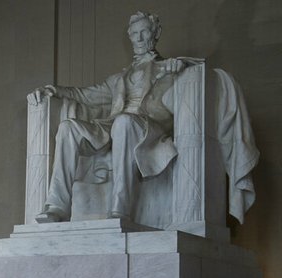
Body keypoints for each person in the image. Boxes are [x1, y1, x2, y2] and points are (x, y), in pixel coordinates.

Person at [28, 11, 196, 223]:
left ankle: (119, 209)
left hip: (148, 128)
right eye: (134, 33)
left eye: (144, 31)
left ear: (156, 33)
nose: (139, 38)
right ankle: (57, 207)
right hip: (114, 126)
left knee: (124, 122)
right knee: (68, 128)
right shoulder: (119, 79)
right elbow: (86, 94)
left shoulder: (168, 67)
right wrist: (53, 90)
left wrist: (181, 66)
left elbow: (197, 70)